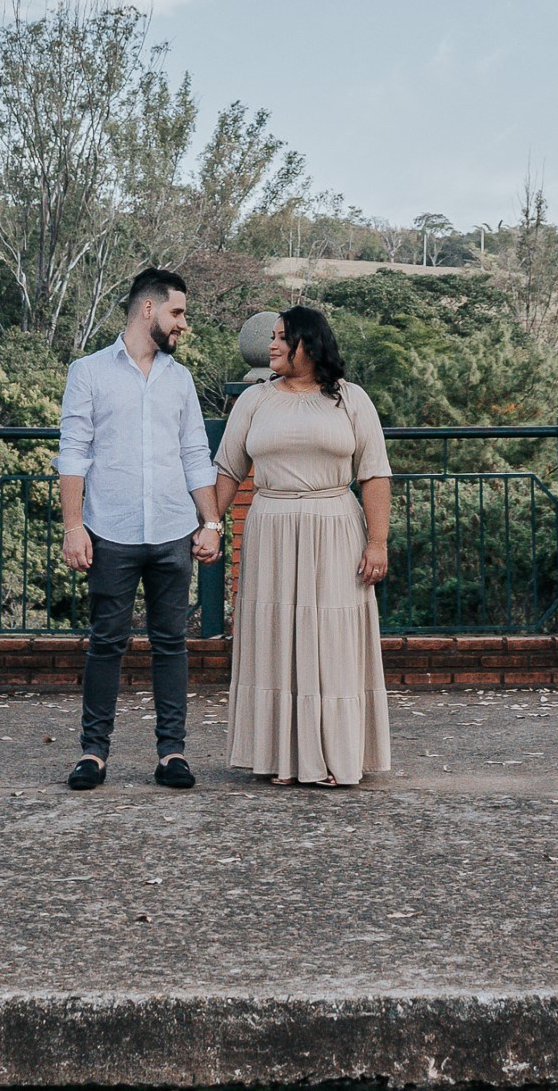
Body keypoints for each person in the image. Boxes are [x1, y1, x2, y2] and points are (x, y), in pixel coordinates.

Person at [55, 266, 224, 792]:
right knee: (106, 641)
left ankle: (172, 753)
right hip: (111, 530)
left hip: (174, 530)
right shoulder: (88, 372)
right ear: (147, 309)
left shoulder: (181, 379)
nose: (183, 325)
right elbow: (73, 453)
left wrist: (211, 520)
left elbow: (196, 453)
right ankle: (93, 753)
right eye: (177, 313)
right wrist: (74, 526)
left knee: (172, 642)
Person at [210, 304, 392, 787]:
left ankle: (336, 756)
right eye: (269, 337)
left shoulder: (351, 400)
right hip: (269, 526)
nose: (271, 345)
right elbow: (228, 470)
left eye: (280, 336)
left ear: (308, 344)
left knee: (331, 637)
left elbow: (374, 473)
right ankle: (282, 757)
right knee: (276, 637)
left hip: (334, 525)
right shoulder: (253, 401)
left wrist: (378, 543)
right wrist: (209, 525)